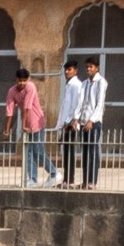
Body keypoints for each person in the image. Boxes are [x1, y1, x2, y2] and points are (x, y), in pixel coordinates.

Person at [6, 63, 48, 187]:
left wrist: (23, 125)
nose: (22, 83)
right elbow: (9, 110)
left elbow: (27, 107)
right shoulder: (12, 91)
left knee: (38, 151)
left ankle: (53, 172)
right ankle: (33, 179)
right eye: (20, 80)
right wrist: (6, 130)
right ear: (16, 79)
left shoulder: (31, 87)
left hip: (36, 122)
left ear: (28, 80)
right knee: (29, 152)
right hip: (27, 125)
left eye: (24, 80)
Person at [56, 59, 86, 188]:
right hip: (66, 123)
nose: (67, 72)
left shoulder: (76, 85)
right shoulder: (69, 85)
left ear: (76, 71)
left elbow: (76, 105)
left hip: (71, 124)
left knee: (70, 153)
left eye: (70, 70)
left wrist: (70, 121)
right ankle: (66, 179)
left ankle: (70, 180)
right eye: (66, 70)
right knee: (66, 152)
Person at [79, 54, 107, 187]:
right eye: (87, 67)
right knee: (85, 152)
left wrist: (91, 120)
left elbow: (99, 104)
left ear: (97, 68)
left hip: (94, 122)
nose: (88, 69)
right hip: (83, 121)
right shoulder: (84, 83)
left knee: (92, 151)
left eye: (91, 67)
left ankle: (92, 181)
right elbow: (81, 103)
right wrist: (77, 118)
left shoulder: (101, 82)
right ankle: (85, 180)